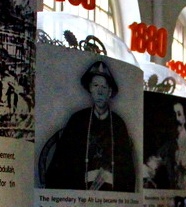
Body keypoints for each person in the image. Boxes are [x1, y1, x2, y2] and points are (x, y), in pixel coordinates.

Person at [44, 60, 136, 191]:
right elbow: (62, 163)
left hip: (110, 195)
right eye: (96, 85)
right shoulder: (77, 120)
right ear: (90, 89)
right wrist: (85, 177)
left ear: (110, 92)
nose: (100, 92)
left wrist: (109, 175)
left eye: (104, 87)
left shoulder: (118, 124)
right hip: (79, 191)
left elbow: (126, 170)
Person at [145, 101, 186, 190]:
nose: (176, 118)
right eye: (173, 115)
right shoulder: (167, 146)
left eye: (179, 114)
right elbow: (153, 165)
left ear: (184, 118)